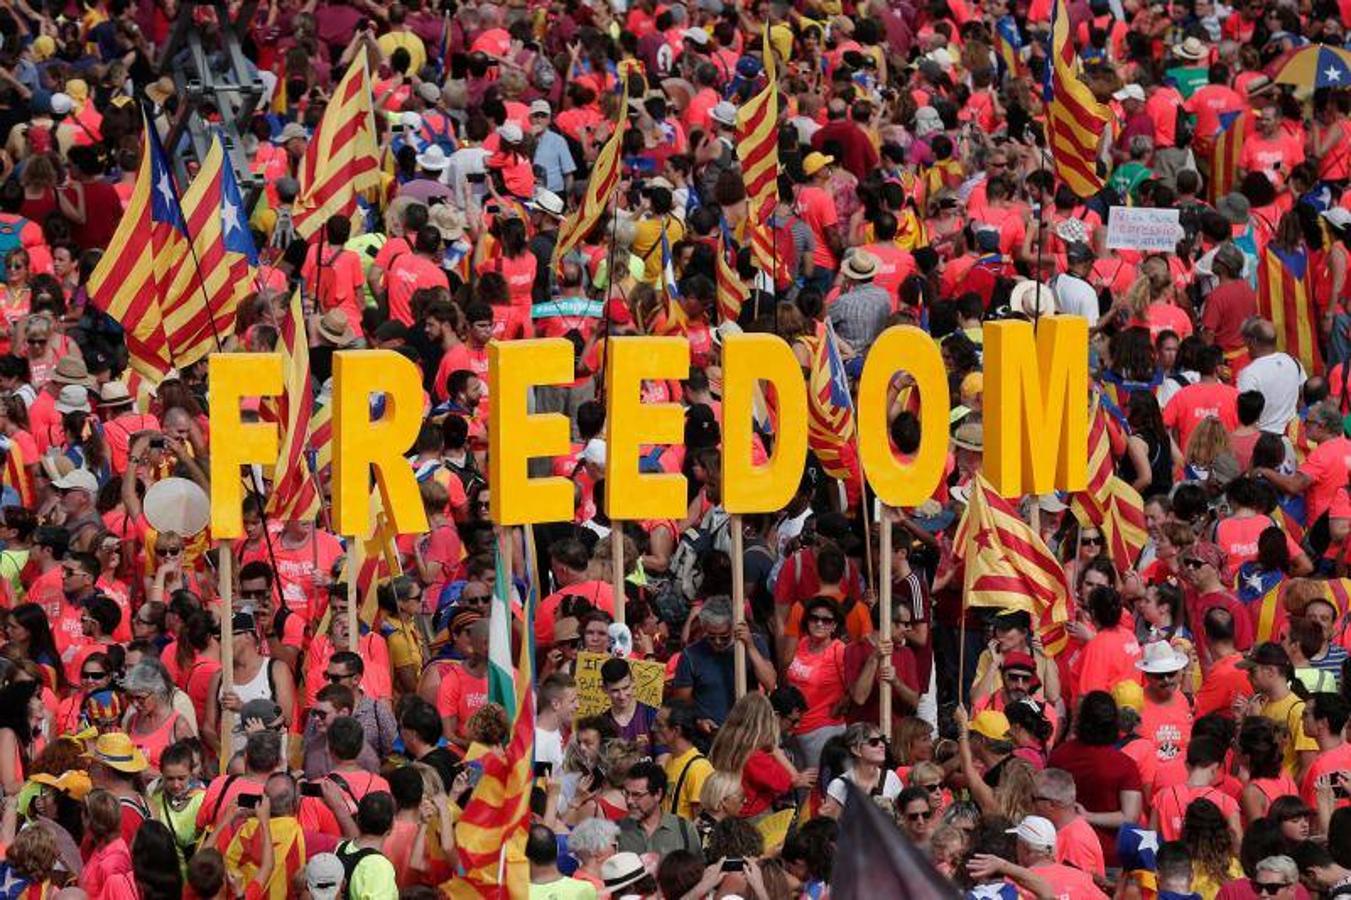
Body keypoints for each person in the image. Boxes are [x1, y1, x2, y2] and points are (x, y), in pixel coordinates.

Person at [615, 761, 701, 859]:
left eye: (637, 795)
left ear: (657, 794)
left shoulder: (684, 830)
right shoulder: (616, 832)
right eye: (626, 793)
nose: (629, 801)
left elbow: (697, 870)